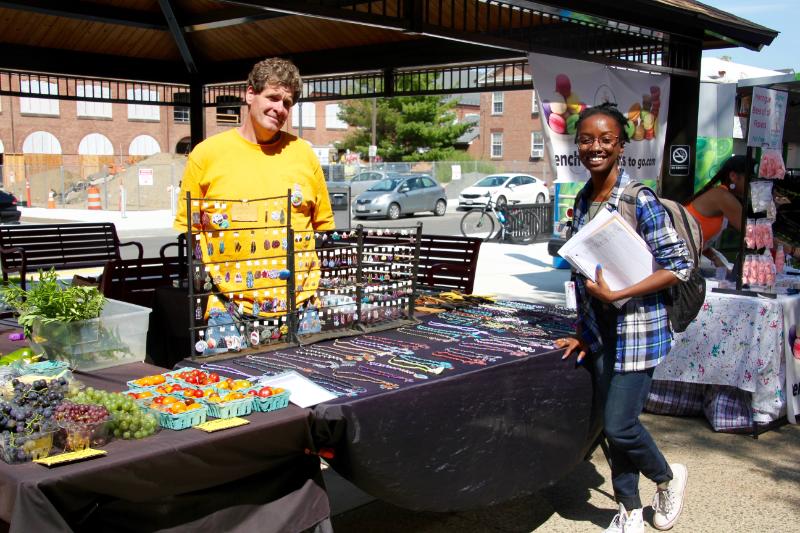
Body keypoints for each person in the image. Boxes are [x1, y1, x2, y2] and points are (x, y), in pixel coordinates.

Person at [554, 103, 691, 533]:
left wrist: (621, 293)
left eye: (605, 140)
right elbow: (584, 274)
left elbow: (679, 263)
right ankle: (629, 508)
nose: (595, 147)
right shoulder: (581, 199)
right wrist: (581, 332)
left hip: (638, 331)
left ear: (621, 146)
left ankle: (668, 479)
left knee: (619, 424)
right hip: (600, 332)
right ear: (577, 145)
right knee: (612, 432)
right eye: (587, 139)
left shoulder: (639, 199)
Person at [174, 57, 335, 351]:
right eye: (273, 97)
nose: (280, 109)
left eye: (287, 103)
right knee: (230, 393)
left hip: (302, 308)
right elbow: (190, 233)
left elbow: (323, 229)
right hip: (228, 310)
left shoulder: (304, 155)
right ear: (250, 94)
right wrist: (204, 288)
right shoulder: (206, 154)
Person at [684, 155, 747, 268]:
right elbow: (752, 232)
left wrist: (715, 259)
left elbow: (700, 237)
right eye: (749, 179)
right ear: (733, 176)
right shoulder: (723, 197)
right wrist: (786, 247)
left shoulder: (723, 195)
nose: (752, 185)